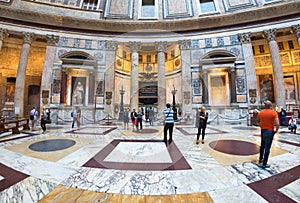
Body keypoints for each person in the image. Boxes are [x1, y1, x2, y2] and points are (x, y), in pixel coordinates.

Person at [257, 100, 279, 169]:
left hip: (263, 131)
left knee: (262, 145)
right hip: (270, 131)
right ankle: (264, 163)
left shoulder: (260, 112)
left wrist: (262, 126)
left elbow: (258, 121)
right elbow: (277, 123)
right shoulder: (273, 113)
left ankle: (260, 159)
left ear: (264, 105)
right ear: (270, 106)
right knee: (267, 147)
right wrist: (276, 130)